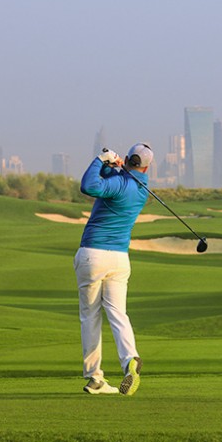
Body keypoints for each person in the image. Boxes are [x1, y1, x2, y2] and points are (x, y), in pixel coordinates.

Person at [73, 143, 153, 396]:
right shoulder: (141, 189)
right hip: (119, 259)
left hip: (93, 255)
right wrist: (112, 167)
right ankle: (130, 359)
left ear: (127, 158)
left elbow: (89, 186)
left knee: (90, 316)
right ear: (146, 167)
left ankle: (95, 377)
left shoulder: (119, 184)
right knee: (118, 313)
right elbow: (112, 184)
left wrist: (100, 159)